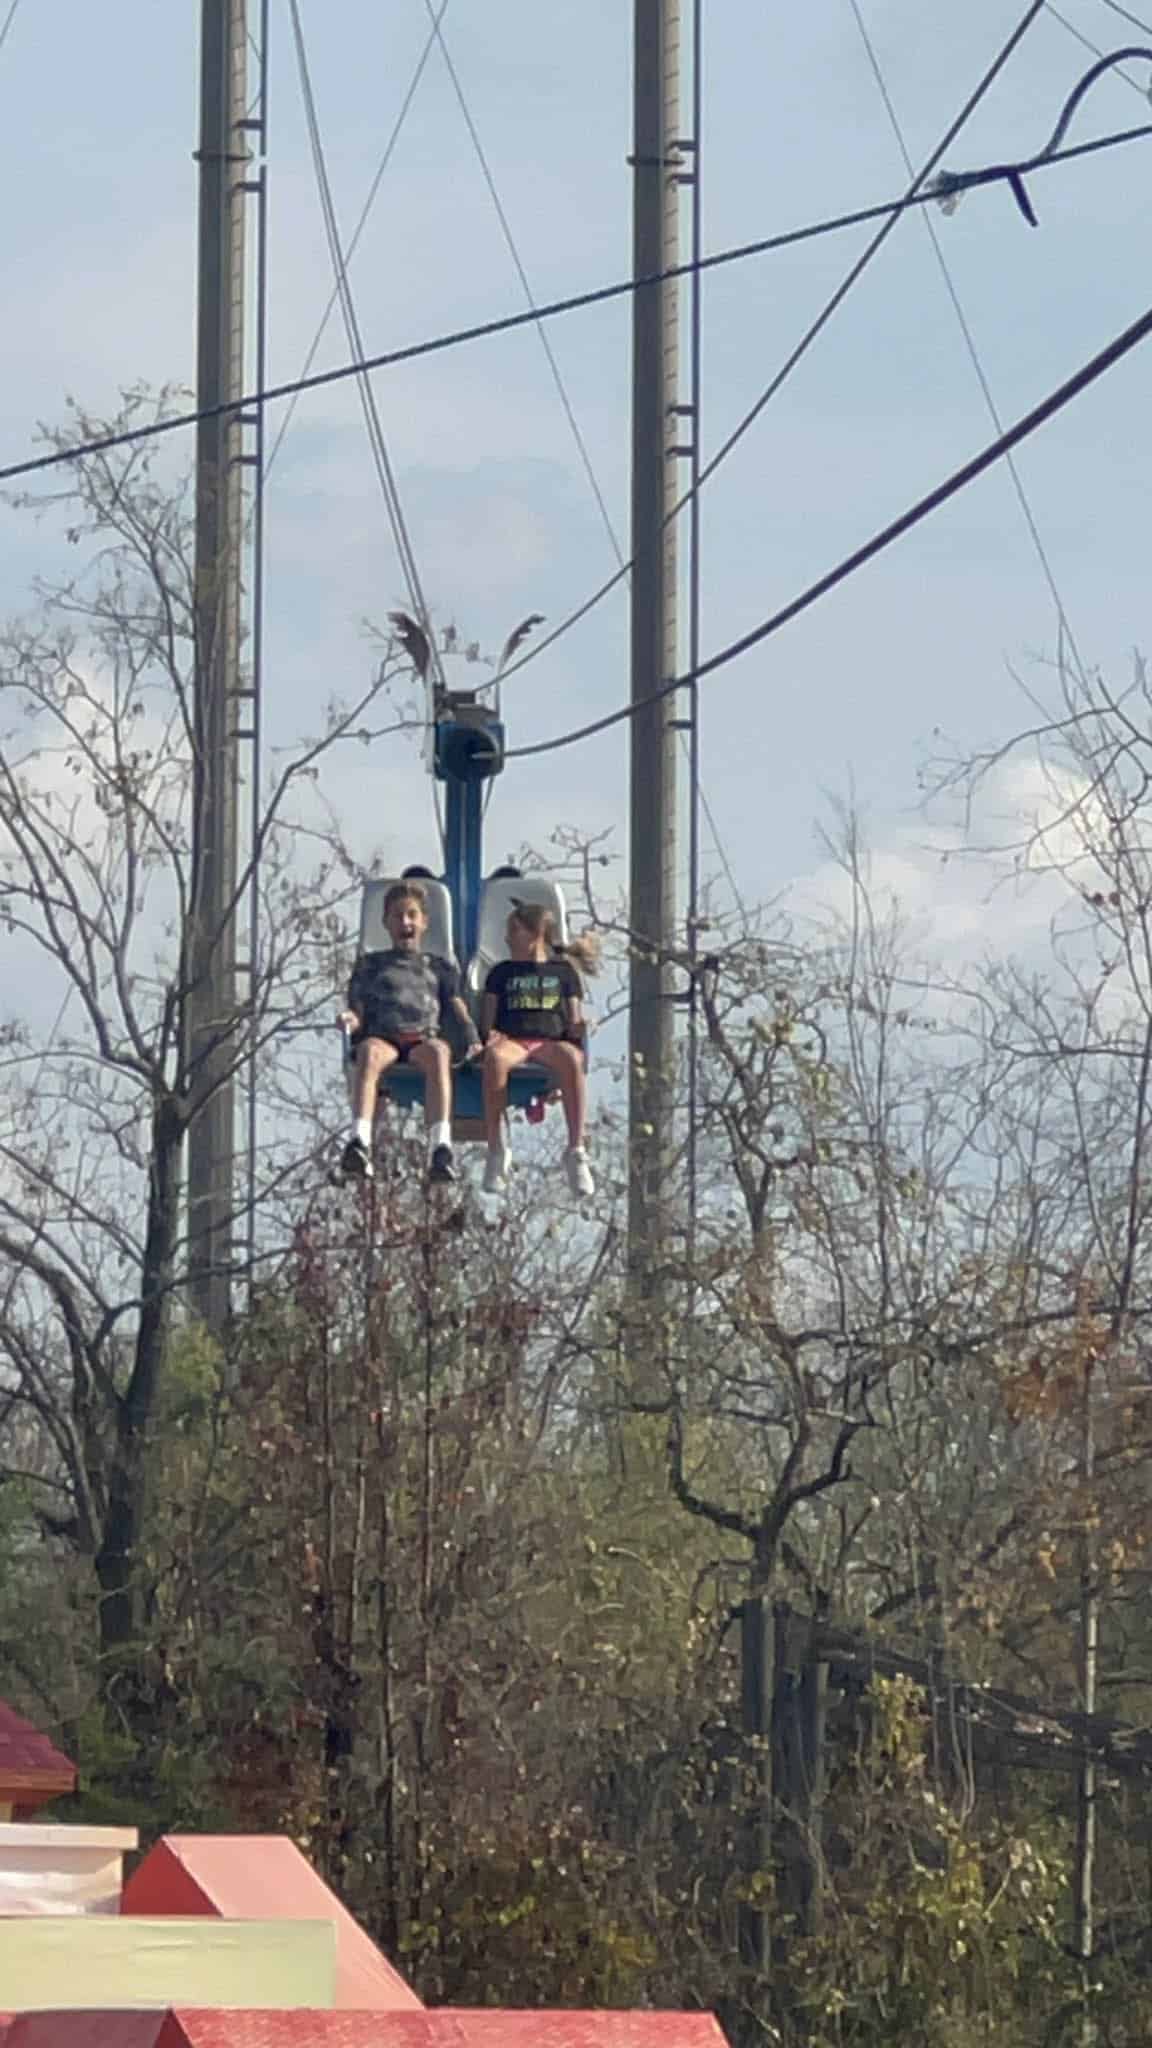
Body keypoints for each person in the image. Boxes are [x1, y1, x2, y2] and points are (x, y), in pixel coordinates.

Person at [338, 880, 477, 1185]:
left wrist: (472, 1039)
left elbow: (456, 1006)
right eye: (398, 916)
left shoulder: (439, 966)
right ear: (386, 922)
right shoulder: (371, 965)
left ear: (424, 922)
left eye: (412, 915)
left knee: (439, 1053)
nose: (405, 922)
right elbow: (358, 1010)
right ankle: (359, 1140)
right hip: (384, 1036)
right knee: (369, 1053)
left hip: (421, 1039)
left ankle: (441, 1147)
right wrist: (351, 1019)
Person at [480, 903, 598, 1197]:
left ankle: (576, 1149)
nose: (507, 939)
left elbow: (572, 1021)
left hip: (550, 1041)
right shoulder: (501, 973)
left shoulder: (564, 974)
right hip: (514, 1040)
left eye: (514, 931)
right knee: (495, 1059)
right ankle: (496, 1147)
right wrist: (490, 1034)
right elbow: (488, 1019)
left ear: (537, 934)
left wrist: (582, 1028)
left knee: (572, 1058)